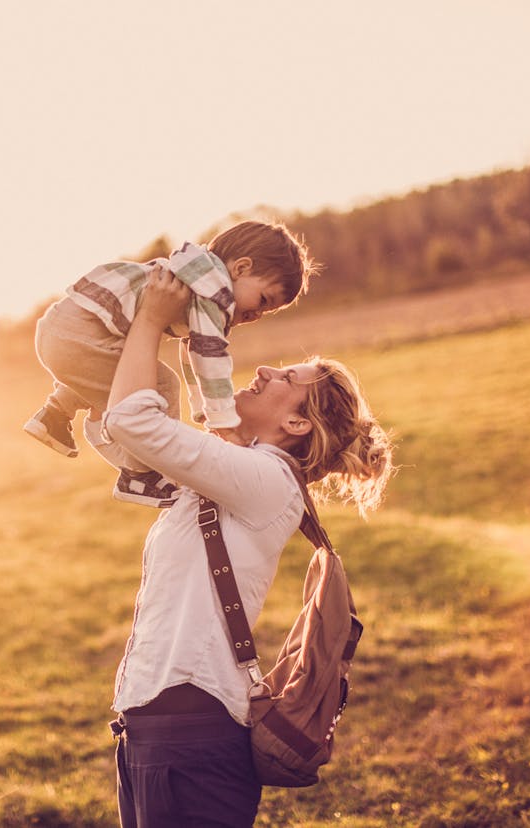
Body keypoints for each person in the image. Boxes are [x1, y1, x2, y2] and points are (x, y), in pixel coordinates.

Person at [101, 267, 394, 828]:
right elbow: (140, 431)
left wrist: (151, 319)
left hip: (191, 736)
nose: (264, 369)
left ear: (295, 422)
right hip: (153, 729)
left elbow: (134, 420)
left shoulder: (267, 480)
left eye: (287, 376)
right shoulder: (237, 472)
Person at [23, 220, 313, 507]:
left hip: (64, 326)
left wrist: (202, 409)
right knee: (162, 385)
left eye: (267, 311)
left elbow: (191, 353)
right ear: (241, 268)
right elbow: (209, 356)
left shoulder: (197, 275)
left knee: (123, 365)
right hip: (77, 337)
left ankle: (54, 415)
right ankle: (141, 475)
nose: (258, 314)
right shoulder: (214, 293)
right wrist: (224, 420)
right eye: (263, 300)